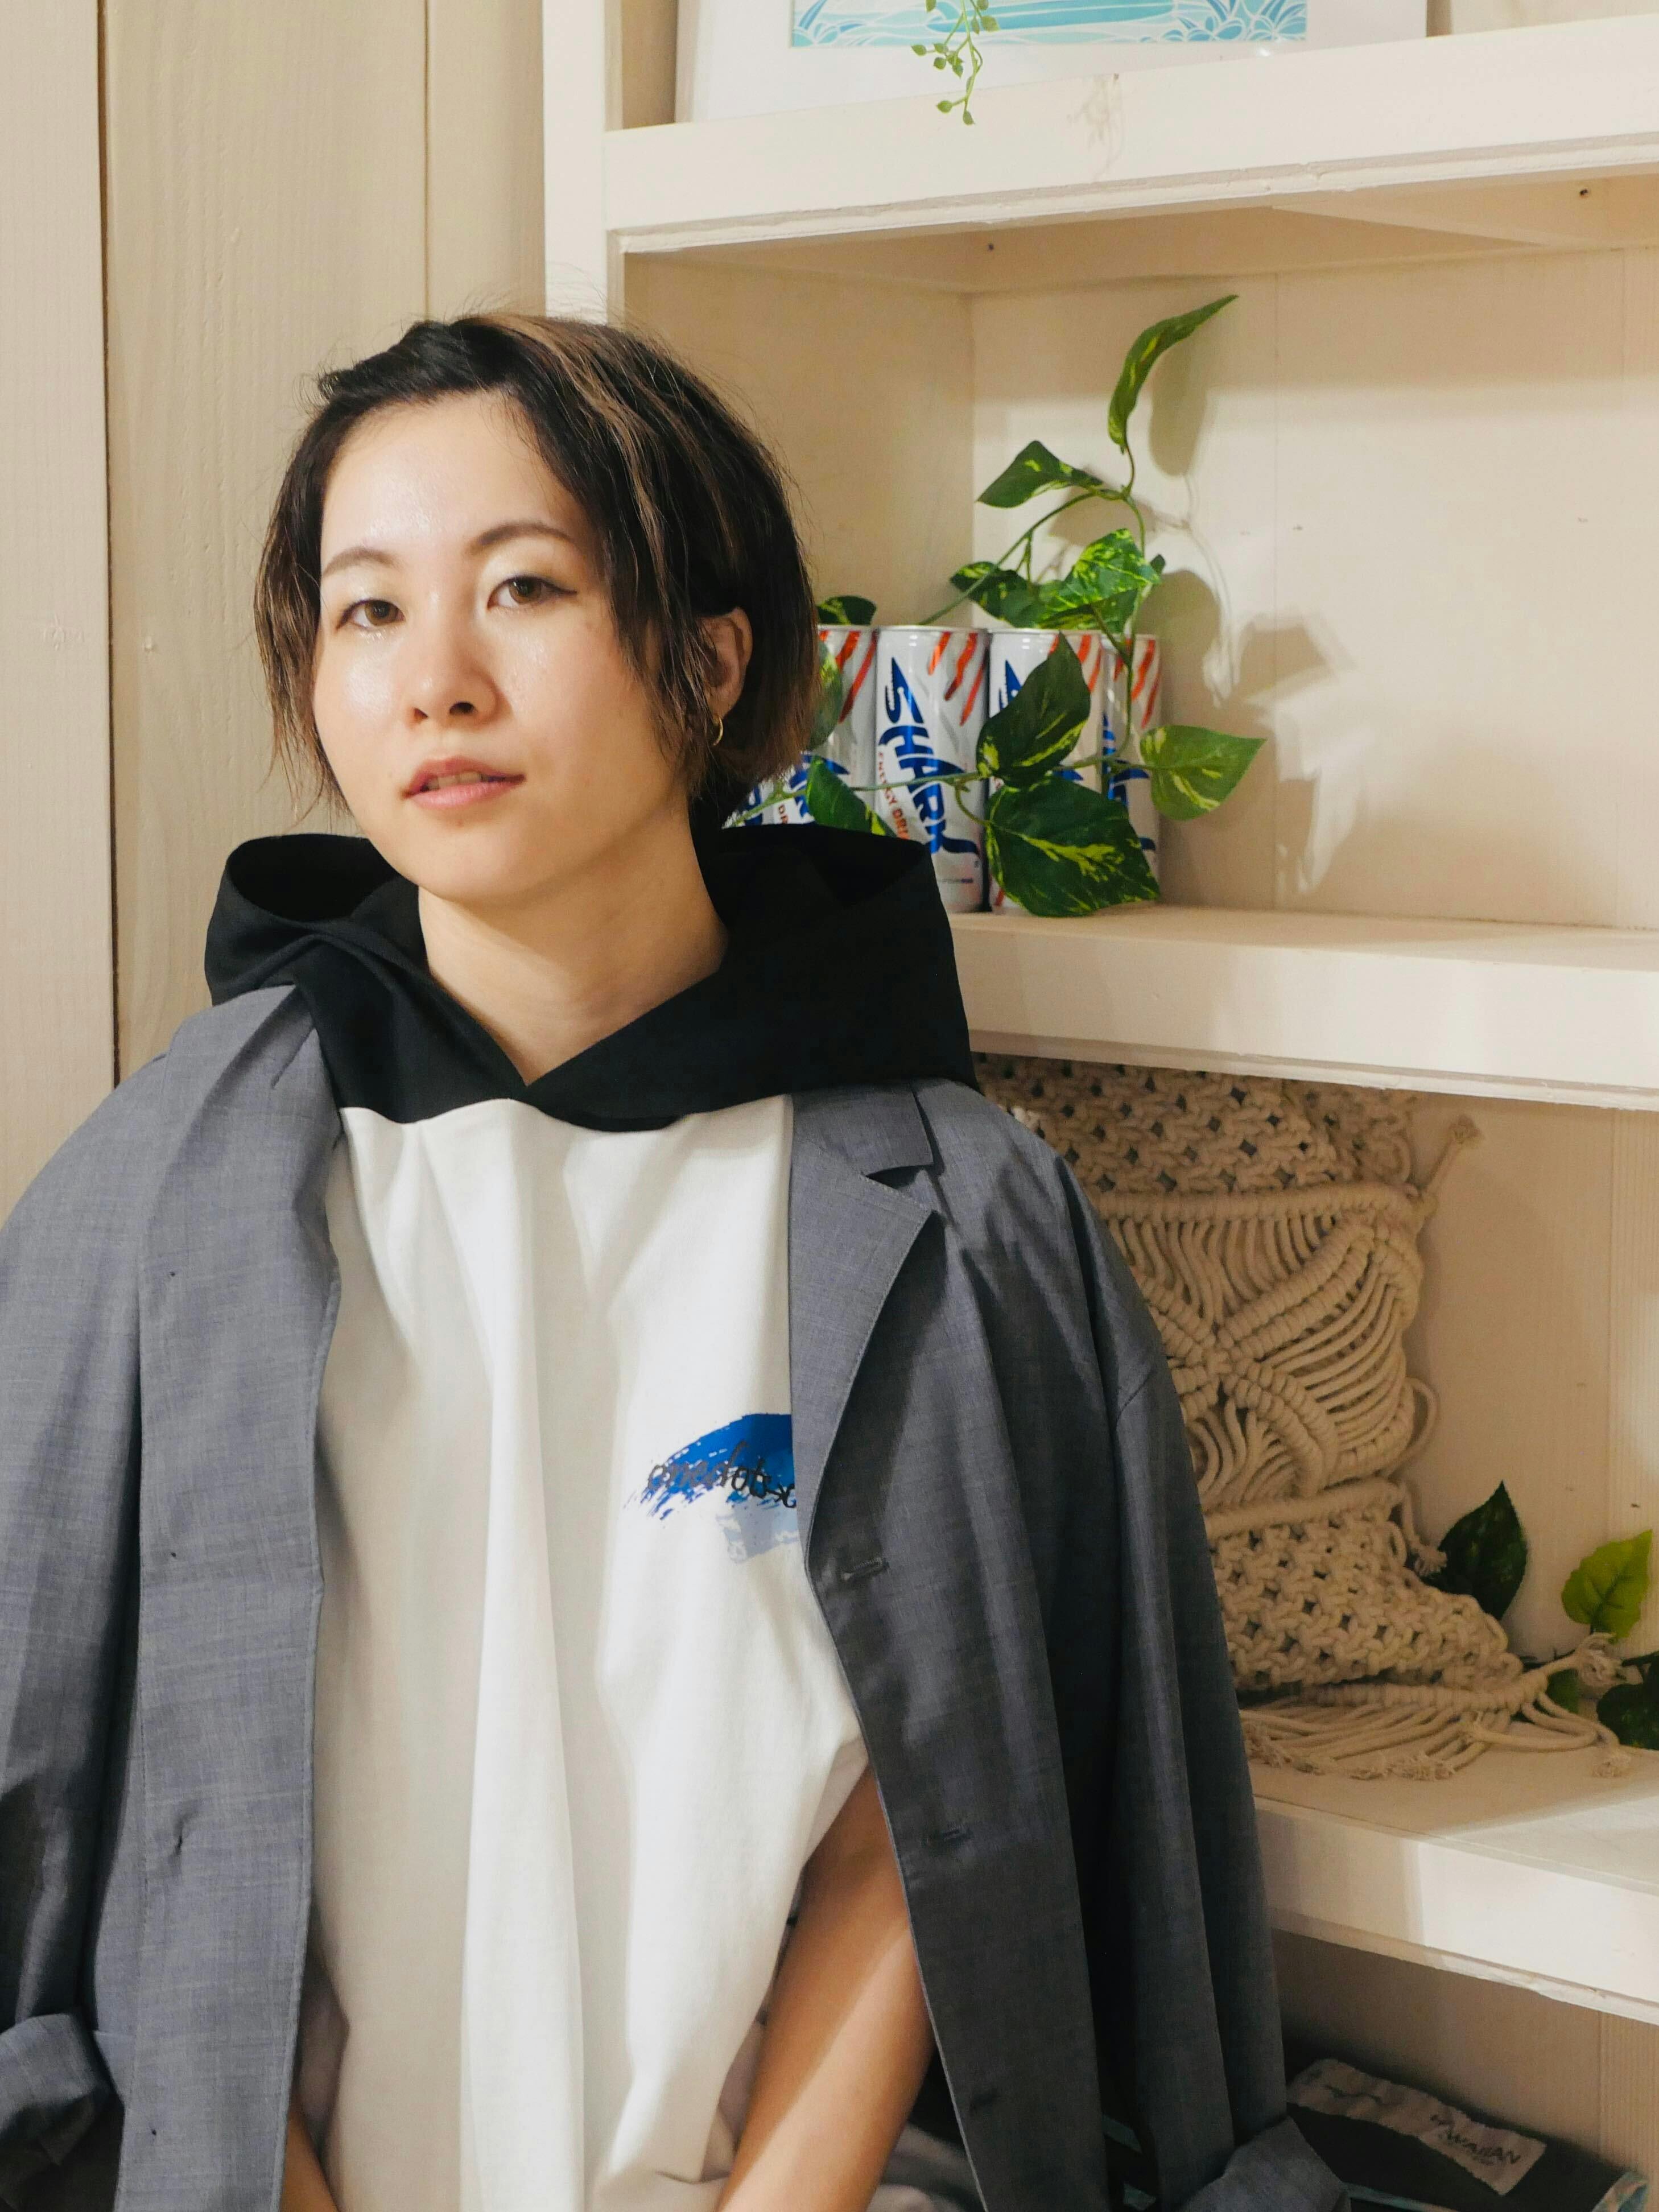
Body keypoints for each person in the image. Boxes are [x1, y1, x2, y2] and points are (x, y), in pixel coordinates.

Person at [0, 313, 1343, 2212]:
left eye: (524, 588)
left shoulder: (957, 1220)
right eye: (367, 611)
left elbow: (934, 1823)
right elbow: (130, 1822)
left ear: (710, 660)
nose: (434, 683)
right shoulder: (172, 1194)